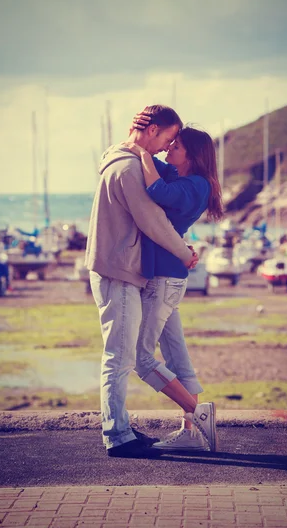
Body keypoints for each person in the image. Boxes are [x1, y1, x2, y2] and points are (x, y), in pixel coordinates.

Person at [86, 104, 199, 458]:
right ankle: (118, 436)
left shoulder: (124, 159)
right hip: (118, 270)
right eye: (168, 137)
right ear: (152, 131)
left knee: (122, 355)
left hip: (119, 268)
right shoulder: (129, 168)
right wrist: (184, 252)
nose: (168, 146)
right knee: (120, 357)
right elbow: (151, 220)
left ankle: (119, 427)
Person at [125, 111, 224, 452]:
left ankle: (197, 413)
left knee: (141, 357)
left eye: (176, 146)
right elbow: (156, 171)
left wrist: (140, 152)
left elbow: (156, 189)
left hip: (165, 281)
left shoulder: (195, 185)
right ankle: (193, 435)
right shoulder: (183, 177)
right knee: (177, 357)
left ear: (193, 155)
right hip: (168, 278)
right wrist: (139, 148)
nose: (168, 151)